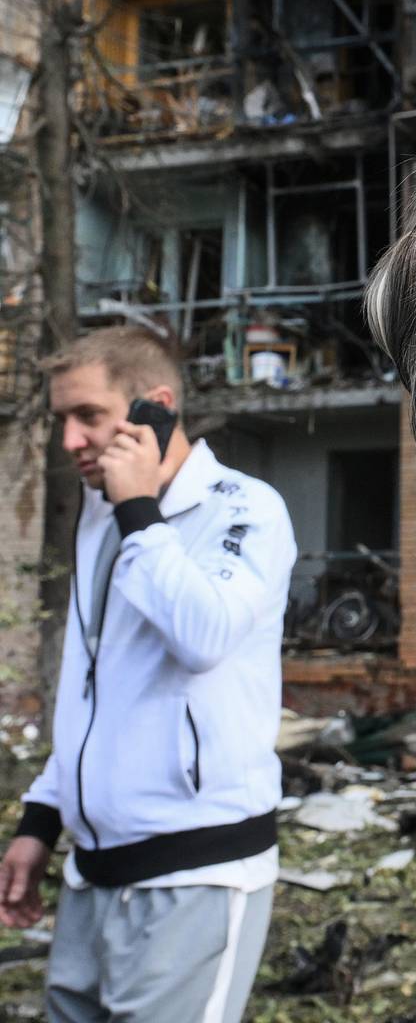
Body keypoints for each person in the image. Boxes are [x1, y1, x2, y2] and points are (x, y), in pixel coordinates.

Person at [0, 327, 297, 1022]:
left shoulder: (247, 507)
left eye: (89, 417)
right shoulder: (102, 519)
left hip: (196, 876)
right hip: (92, 878)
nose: (70, 440)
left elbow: (204, 635)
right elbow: (93, 685)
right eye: (61, 420)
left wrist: (140, 511)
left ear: (153, 409)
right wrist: (40, 821)